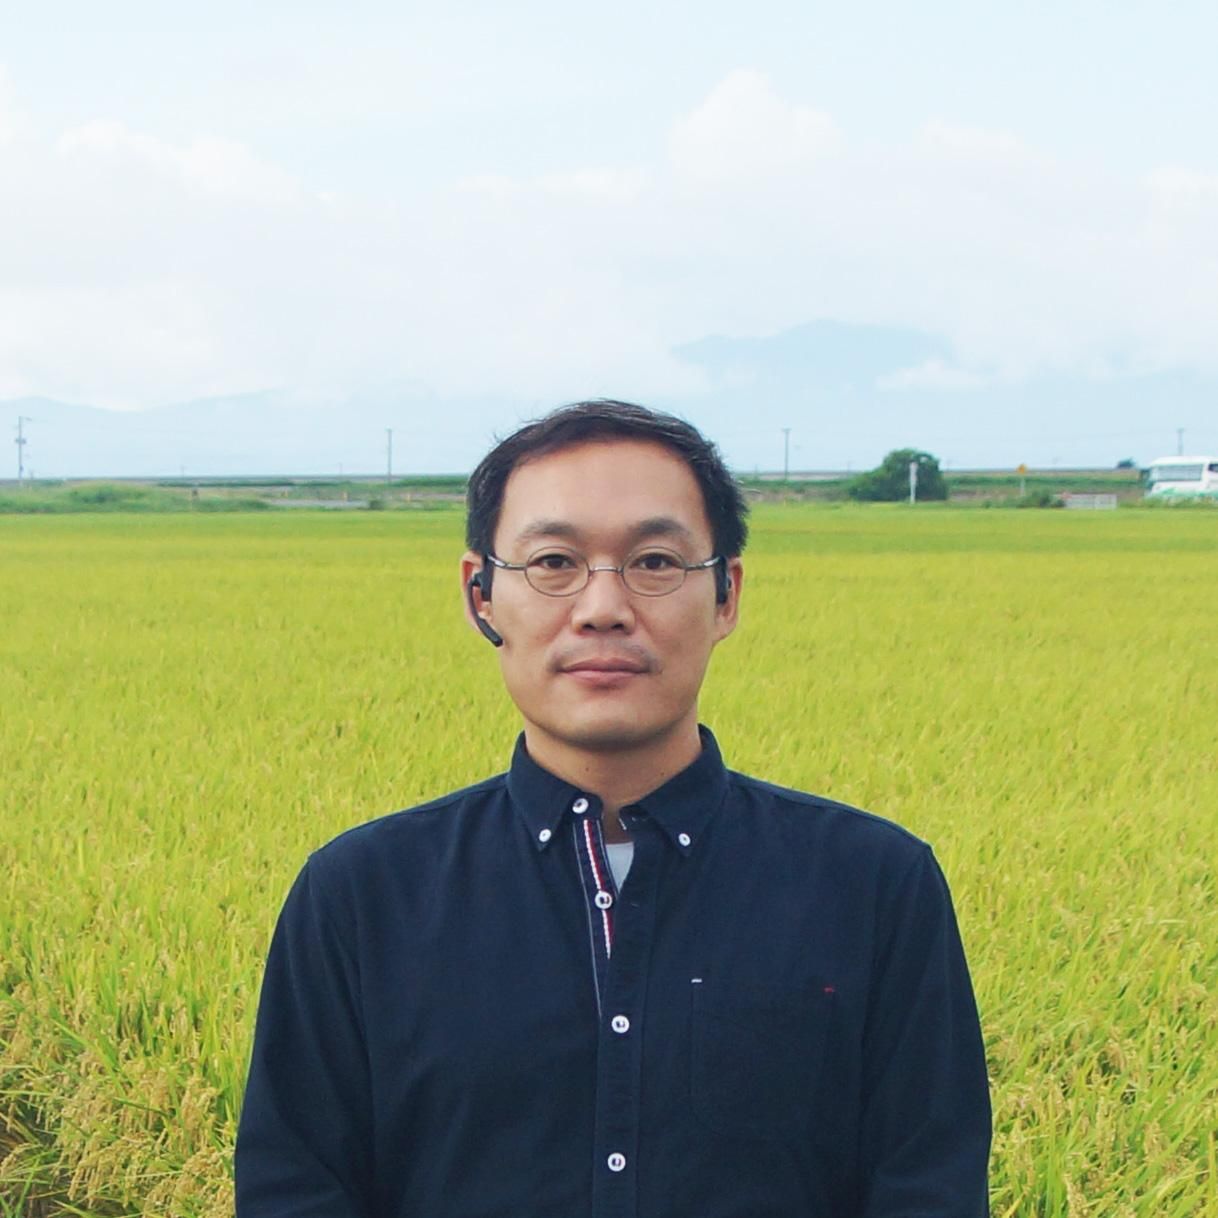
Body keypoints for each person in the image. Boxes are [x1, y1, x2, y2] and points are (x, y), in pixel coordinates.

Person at [235, 399, 991, 1217]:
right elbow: (295, 1191)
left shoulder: (875, 886)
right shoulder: (361, 896)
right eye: (553, 562)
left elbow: (929, 1189)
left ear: (727, 595)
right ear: (480, 595)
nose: (602, 607)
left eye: (655, 561)